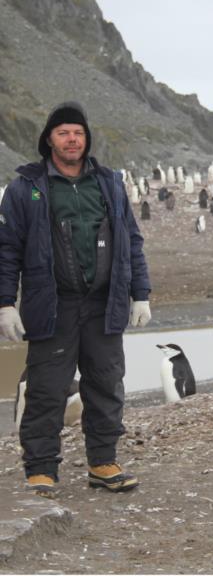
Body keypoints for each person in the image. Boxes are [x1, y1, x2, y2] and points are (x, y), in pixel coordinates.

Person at [0, 101, 151, 496]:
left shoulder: (109, 183)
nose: (72, 139)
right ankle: (41, 468)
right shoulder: (26, 188)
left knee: (105, 385)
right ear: (49, 139)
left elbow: (131, 241)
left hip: (104, 303)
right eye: (64, 132)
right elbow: (7, 249)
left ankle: (102, 462)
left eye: (79, 133)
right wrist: (4, 302)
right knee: (48, 388)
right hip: (52, 304)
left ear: (87, 139)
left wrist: (141, 294)